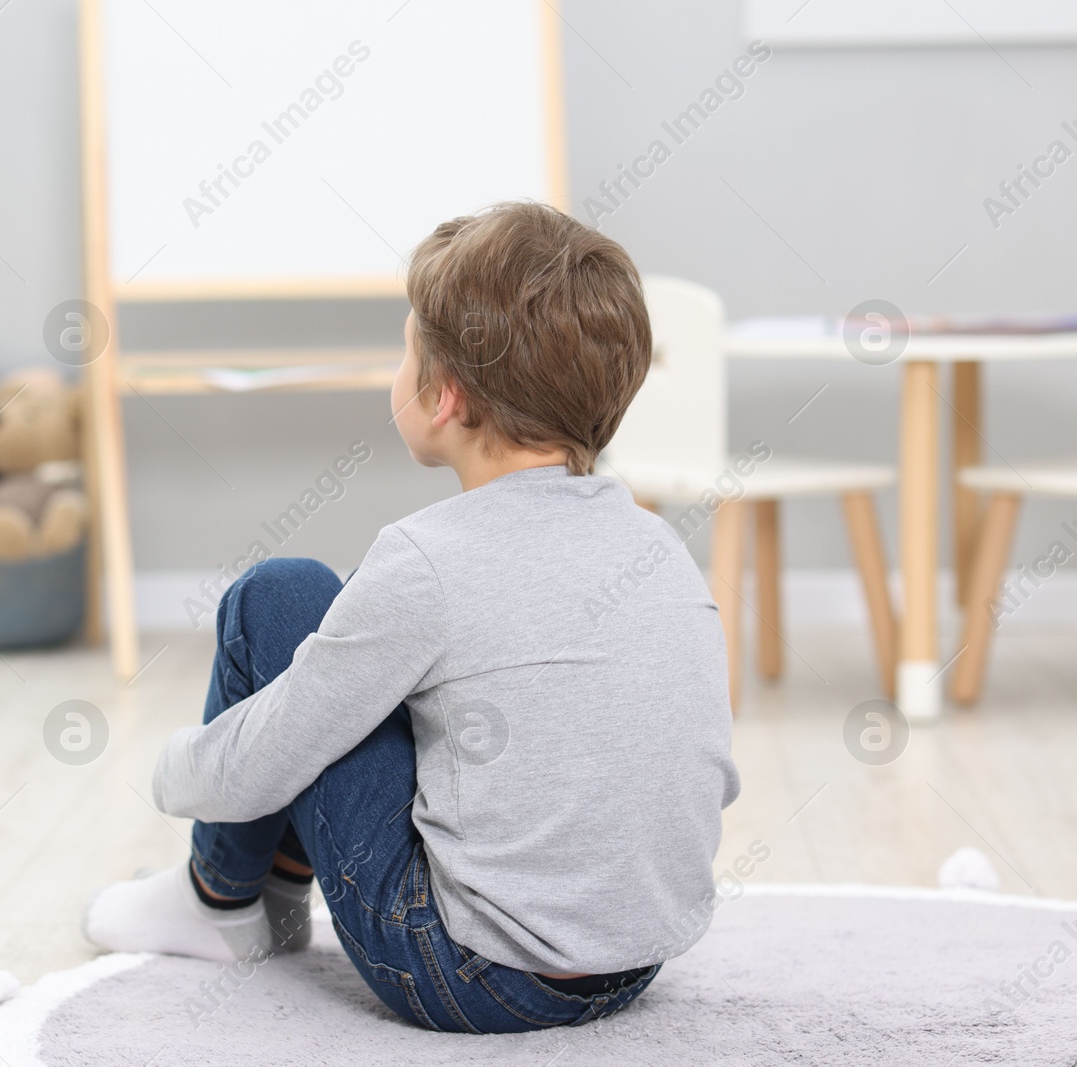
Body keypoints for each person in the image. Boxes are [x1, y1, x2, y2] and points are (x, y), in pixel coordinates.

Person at [84, 201, 740, 1033]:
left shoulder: (427, 559)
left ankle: (212, 897)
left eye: (406, 350)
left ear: (445, 396)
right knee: (353, 626)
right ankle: (278, 891)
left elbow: (262, 759)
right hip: (636, 960)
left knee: (277, 598)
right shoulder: (657, 542)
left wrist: (166, 768)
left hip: (471, 974)